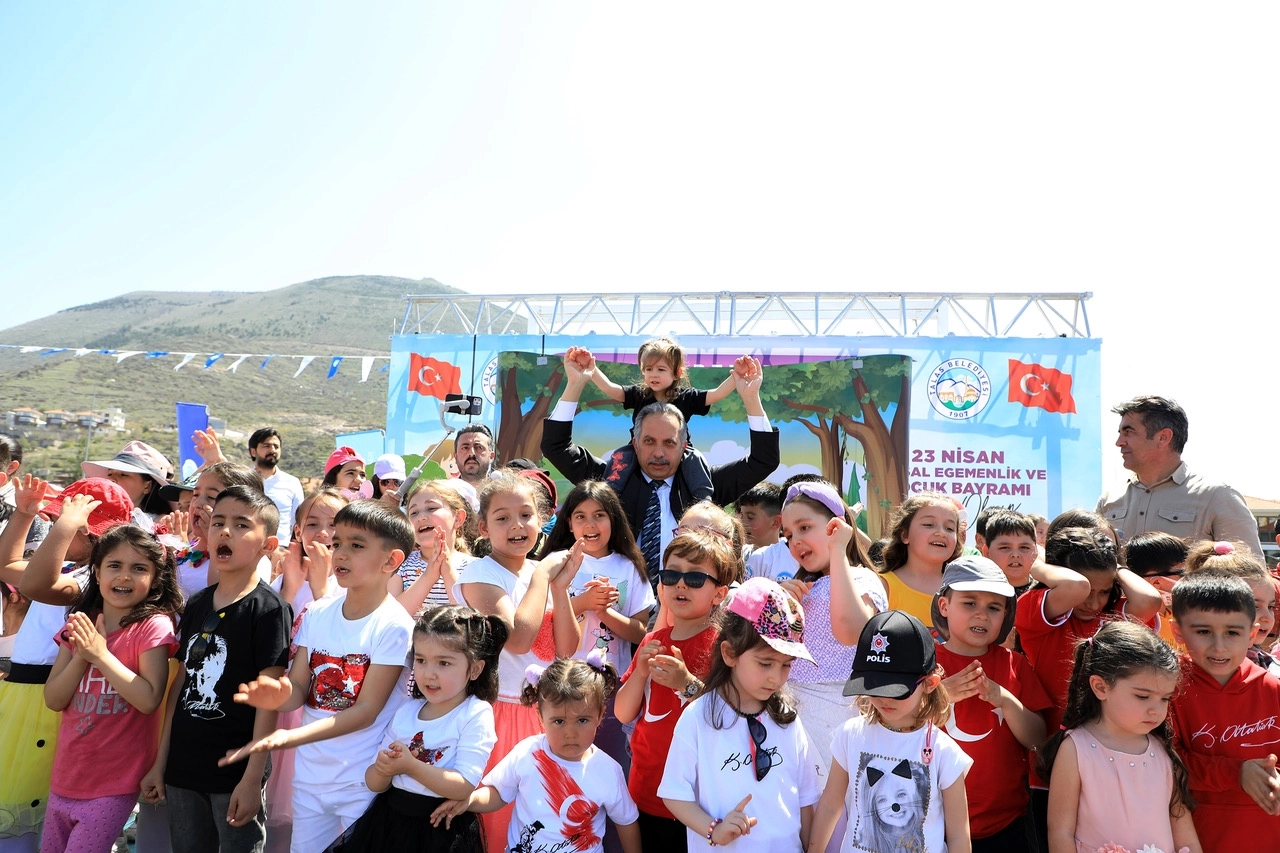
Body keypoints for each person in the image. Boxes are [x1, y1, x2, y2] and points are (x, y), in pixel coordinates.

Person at [218, 500, 416, 853]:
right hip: (311, 777)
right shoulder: (318, 613)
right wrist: (279, 695)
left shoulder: (395, 626)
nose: (340, 553)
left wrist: (288, 737)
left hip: (364, 780)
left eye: (357, 545)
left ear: (391, 560)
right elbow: (298, 688)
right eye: (337, 543)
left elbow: (366, 711)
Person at [140, 486, 292, 853]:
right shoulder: (197, 603)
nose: (225, 531)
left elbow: (268, 700)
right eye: (219, 522)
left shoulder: (269, 610)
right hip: (183, 768)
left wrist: (252, 779)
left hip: (235, 773)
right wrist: (161, 762)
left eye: (241, 525)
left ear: (268, 545)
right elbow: (180, 685)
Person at [542, 352, 779, 586]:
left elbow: (763, 460)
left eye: (669, 443)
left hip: (687, 601)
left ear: (684, 447)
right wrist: (575, 385)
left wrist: (751, 398)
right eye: (649, 441)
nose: (658, 453)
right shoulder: (611, 482)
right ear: (635, 443)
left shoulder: (703, 484)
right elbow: (556, 446)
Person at [0, 477, 134, 853]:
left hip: (49, 702)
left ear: (87, 530)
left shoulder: (94, 579)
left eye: (61, 520)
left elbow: (34, 585)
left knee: (32, 815)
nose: (56, 525)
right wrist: (23, 515)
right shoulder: (74, 568)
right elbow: (7, 565)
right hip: (23, 696)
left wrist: (65, 525)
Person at [454, 472, 583, 853]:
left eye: (526, 515)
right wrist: (544, 575)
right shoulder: (480, 573)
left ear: (542, 519)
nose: (516, 525)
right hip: (502, 712)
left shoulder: (537, 573)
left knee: (543, 818)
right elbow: (518, 638)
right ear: (483, 527)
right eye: (502, 517)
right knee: (502, 820)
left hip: (546, 712)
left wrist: (558, 587)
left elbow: (566, 649)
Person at [1015, 526, 1162, 850]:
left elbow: (1150, 600)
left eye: (1104, 590)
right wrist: (1034, 561)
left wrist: (1113, 565)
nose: (1093, 601)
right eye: (1088, 590)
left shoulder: (1114, 617)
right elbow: (1074, 587)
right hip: (1051, 769)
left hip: (1113, 768)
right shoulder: (1037, 610)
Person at [41, 525, 182, 853]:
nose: (124, 576)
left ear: (155, 579)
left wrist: (101, 655)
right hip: (65, 778)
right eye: (114, 565)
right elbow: (54, 698)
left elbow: (149, 699)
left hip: (113, 784)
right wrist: (84, 654)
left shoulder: (153, 626)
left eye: (139, 568)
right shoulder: (80, 623)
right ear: (97, 571)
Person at [659, 577, 822, 853]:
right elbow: (674, 794)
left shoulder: (788, 719)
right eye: (765, 663)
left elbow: (805, 798)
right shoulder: (697, 718)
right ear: (729, 653)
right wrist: (714, 829)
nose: (776, 677)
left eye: (786, 665)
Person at [326, 606, 506, 853]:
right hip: (390, 824)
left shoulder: (474, 713)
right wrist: (383, 768)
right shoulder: (407, 709)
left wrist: (410, 766)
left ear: (474, 669)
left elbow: (464, 785)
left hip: (441, 831)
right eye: (421, 660)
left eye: (444, 663)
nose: (429, 673)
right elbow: (374, 783)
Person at [436, 656, 641, 853]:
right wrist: (469, 800)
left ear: (600, 716)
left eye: (582, 720)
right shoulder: (527, 752)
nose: (570, 733)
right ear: (541, 717)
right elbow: (498, 793)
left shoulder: (608, 770)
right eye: (559, 721)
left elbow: (627, 822)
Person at [808, 610, 972, 853]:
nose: (885, 699)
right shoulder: (849, 735)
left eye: (896, 691)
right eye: (874, 688)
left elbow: (958, 835)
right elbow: (830, 806)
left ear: (929, 683)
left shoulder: (945, 752)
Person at [614, 530, 733, 851]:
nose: (681, 584)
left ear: (719, 593)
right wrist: (640, 673)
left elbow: (729, 716)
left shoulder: (724, 648)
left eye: (695, 578)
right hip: (645, 789)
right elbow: (623, 713)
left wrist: (686, 684)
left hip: (698, 801)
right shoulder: (652, 641)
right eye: (671, 575)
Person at [1039, 621, 1200, 853]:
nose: (1156, 710)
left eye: (1164, 698)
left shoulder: (1163, 750)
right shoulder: (1076, 749)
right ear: (1101, 687)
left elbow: (1185, 834)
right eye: (1143, 696)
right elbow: (1060, 831)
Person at [932, 555, 1051, 851]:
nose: (982, 615)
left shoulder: (1015, 664)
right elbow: (896, 728)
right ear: (944, 606)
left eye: (994, 607)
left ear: (1006, 614)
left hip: (1007, 824)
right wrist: (939, 697)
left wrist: (1005, 700)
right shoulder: (925, 663)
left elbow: (1038, 739)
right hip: (932, 822)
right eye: (969, 603)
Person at [776, 482, 884, 776]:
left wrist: (838, 551)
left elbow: (850, 632)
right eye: (788, 535)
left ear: (837, 526)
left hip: (843, 711)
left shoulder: (863, 579)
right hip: (789, 712)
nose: (795, 541)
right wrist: (779, 604)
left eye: (804, 527)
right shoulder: (796, 587)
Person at [1169, 571, 1280, 850]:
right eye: (1203, 632)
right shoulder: (1166, 689)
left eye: (1232, 632)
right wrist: (1235, 773)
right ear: (1178, 631)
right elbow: (1164, 762)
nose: (1219, 647)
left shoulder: (1273, 688)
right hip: (1196, 838)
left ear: (1252, 633)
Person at [568, 340, 743, 508]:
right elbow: (611, 389)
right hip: (639, 449)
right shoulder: (639, 394)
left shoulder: (686, 396)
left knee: (696, 459)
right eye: (648, 369)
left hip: (678, 451)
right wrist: (591, 368)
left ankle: (704, 503)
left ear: (677, 373)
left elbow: (716, 394)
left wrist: (736, 376)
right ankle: (608, 501)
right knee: (620, 457)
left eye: (661, 369)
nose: (653, 374)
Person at [1097, 395, 1262, 557]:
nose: (1119, 442)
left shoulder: (1217, 497)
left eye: (1128, 432)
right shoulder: (1108, 499)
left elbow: (1249, 570)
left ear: (1163, 437)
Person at [1183, 540, 1280, 678]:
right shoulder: (1182, 673)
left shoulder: (1271, 668)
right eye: (1254, 606)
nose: (1268, 618)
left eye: (1270, 607)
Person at [173, 462, 265, 598]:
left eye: (211, 497)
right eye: (196, 494)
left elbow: (223, 598)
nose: (197, 503)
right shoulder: (185, 551)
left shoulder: (251, 558)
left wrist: (214, 537)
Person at [391, 480, 474, 616]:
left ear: (458, 518)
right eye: (414, 513)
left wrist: (448, 572)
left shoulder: (474, 567)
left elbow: (471, 619)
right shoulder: (401, 564)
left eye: (431, 508)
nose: (421, 517)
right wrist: (429, 576)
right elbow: (391, 617)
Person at [877, 492, 963, 623]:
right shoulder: (883, 585)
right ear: (905, 535)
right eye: (929, 524)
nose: (941, 533)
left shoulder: (962, 588)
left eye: (950, 528)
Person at [1122, 531, 1190, 649]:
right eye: (1183, 574)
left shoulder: (1178, 617)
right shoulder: (1129, 616)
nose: (1190, 579)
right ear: (1156, 582)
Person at [82, 440, 175, 526]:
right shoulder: (89, 513)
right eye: (110, 474)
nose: (112, 479)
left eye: (123, 475)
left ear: (147, 486)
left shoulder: (161, 524)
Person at [248, 428, 305, 546]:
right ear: (253, 451)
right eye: (266, 446)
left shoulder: (292, 483)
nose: (272, 450)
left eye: (276, 446)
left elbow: (298, 521)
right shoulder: (243, 480)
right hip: (248, 547)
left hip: (281, 548)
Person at [736, 482, 784, 556]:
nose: (742, 522)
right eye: (742, 515)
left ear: (775, 522)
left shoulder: (789, 558)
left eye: (750, 517)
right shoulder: (739, 555)